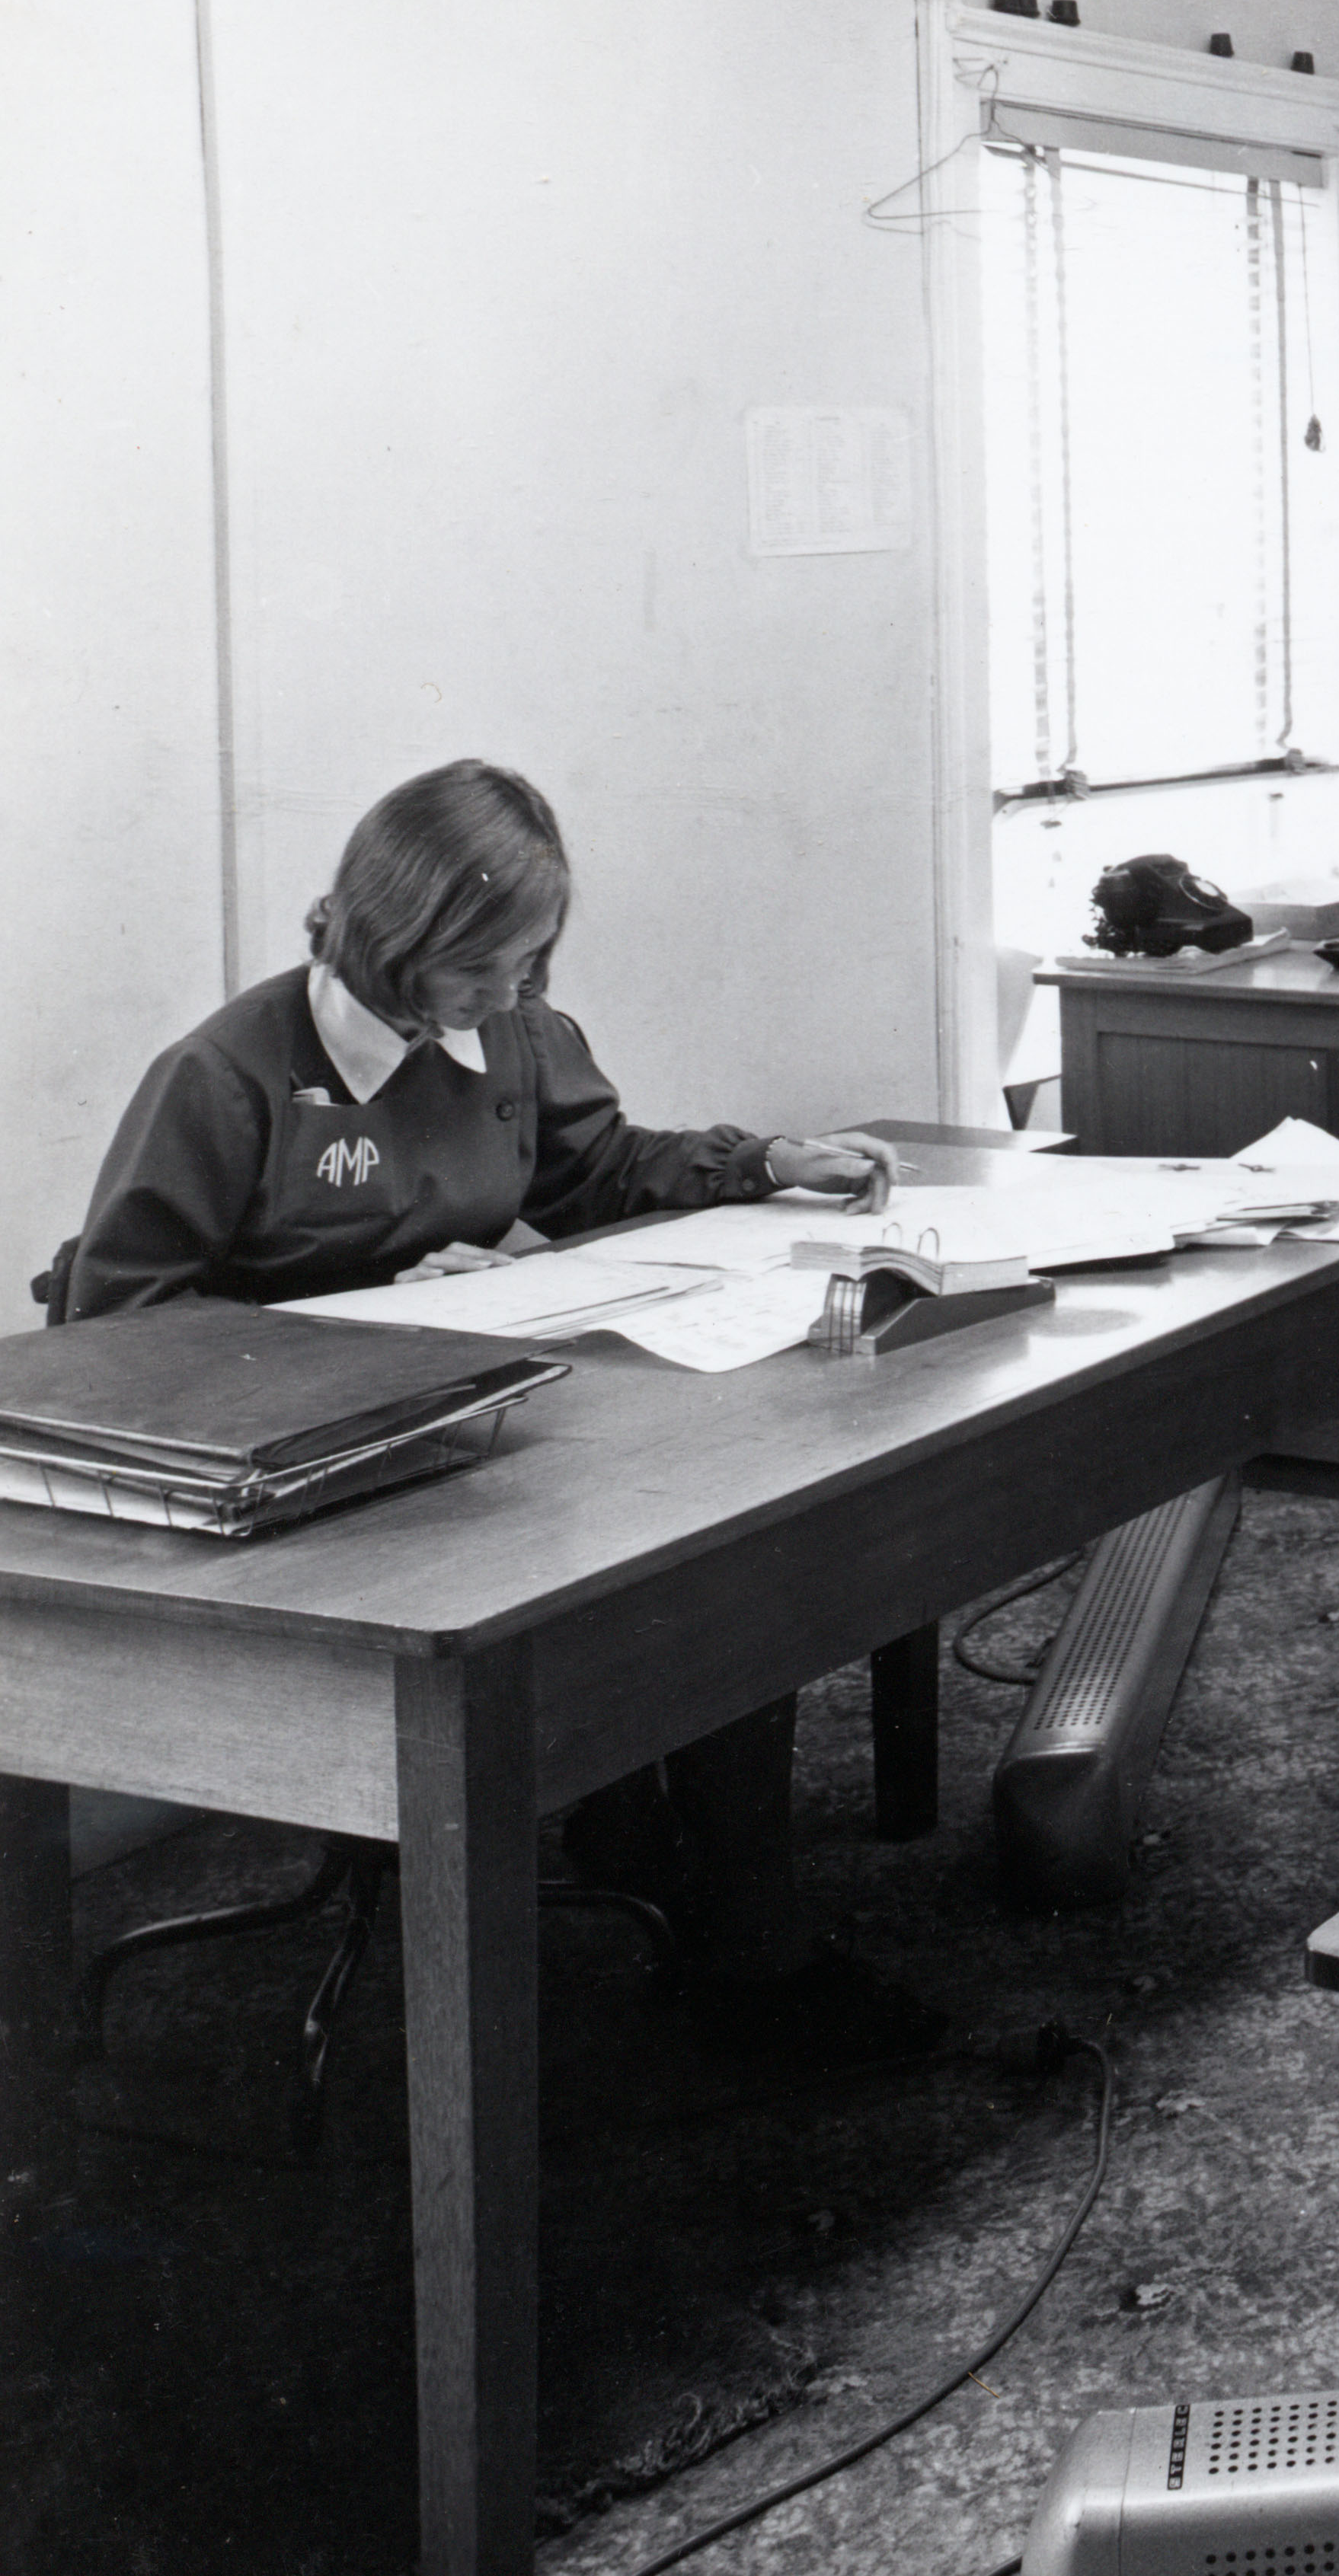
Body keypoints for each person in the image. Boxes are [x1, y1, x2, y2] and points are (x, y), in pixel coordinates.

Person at [62, 759, 942, 2061]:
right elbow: (110, 1336)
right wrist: (353, 1313)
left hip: (449, 1428)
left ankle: (689, 1872)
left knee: (724, 1547)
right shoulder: (227, 1075)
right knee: (665, 1575)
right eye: (481, 970)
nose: (514, 997)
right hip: (278, 1484)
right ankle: (735, 1942)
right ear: (391, 938)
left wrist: (765, 1158)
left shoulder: (517, 1032)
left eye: (530, 963)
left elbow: (598, 1169)